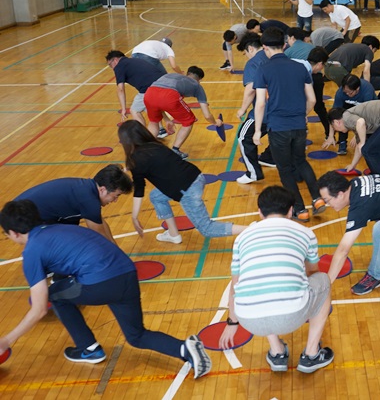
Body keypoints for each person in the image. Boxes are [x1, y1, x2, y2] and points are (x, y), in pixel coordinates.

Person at [0, 200, 212, 379]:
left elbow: (38, 309)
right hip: (127, 274)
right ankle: (185, 349)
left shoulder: (32, 251)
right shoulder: (62, 228)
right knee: (136, 336)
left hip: (100, 281)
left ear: (13, 233)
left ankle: (89, 349)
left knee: (56, 295)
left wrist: (6, 341)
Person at [219, 186, 334, 373]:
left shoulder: (241, 238)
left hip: (249, 320)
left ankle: (277, 352)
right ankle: (312, 355)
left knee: (260, 284)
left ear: (260, 212)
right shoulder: (306, 233)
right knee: (323, 281)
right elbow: (313, 273)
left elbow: (235, 285)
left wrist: (232, 323)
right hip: (292, 315)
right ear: (290, 211)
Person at [118, 121, 247, 243]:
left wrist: (134, 217)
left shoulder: (136, 160)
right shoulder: (155, 145)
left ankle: (250, 229)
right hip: (196, 176)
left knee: (206, 229)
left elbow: (139, 189)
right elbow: (154, 163)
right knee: (156, 196)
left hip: (186, 189)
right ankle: (173, 234)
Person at [253, 28, 327, 223]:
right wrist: (302, 114)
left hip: (278, 128)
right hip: (299, 125)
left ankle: (301, 210)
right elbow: (311, 99)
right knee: (301, 162)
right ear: (284, 45)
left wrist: (257, 130)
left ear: (264, 48)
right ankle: (317, 198)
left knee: (285, 169)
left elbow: (260, 103)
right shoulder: (301, 67)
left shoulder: (263, 69)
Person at [14, 164, 132, 244]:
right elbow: (100, 235)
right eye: (116, 196)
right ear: (102, 190)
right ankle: (55, 273)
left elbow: (101, 224)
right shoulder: (89, 201)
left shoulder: (88, 189)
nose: (115, 200)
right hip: (20, 216)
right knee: (72, 241)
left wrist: (116, 249)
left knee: (72, 233)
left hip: (25, 210)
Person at [143, 66, 223, 159]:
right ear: (199, 79)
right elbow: (207, 115)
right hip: (169, 96)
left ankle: (145, 149)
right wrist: (215, 122)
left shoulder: (171, 75)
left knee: (154, 122)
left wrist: (167, 119)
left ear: (188, 74)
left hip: (149, 94)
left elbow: (159, 100)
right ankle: (175, 150)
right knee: (189, 121)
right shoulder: (197, 86)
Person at [234, 35, 272, 183]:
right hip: (283, 109)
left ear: (250, 48)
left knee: (244, 138)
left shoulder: (253, 63)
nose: (246, 56)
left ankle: (253, 173)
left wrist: (242, 109)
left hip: (265, 111)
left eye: (245, 53)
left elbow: (251, 89)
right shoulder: (274, 56)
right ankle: (272, 159)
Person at [106, 50, 163, 128]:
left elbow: (121, 89)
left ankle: (141, 135)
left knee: (134, 110)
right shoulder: (134, 60)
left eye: (110, 65)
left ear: (115, 60)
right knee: (148, 106)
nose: (112, 68)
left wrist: (123, 109)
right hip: (163, 83)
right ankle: (161, 129)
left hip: (148, 88)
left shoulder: (119, 66)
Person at [330, 74, 376, 156]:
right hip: (349, 106)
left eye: (350, 92)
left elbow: (367, 116)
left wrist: (357, 136)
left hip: (369, 109)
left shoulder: (367, 91)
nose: (347, 94)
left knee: (370, 128)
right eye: (345, 92)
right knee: (342, 118)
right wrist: (330, 135)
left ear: (357, 89)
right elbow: (334, 115)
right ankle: (342, 142)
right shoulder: (340, 93)